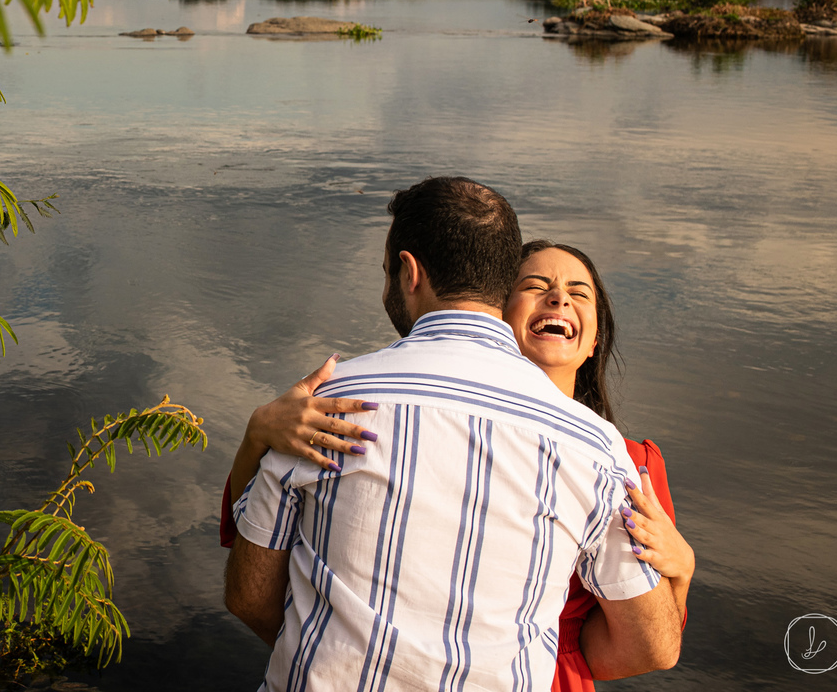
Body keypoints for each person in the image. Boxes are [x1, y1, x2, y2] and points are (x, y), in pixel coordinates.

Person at [224, 177, 681, 691]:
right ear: (501, 282)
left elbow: (249, 595)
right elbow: (653, 646)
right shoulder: (596, 446)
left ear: (410, 271)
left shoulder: (326, 401)